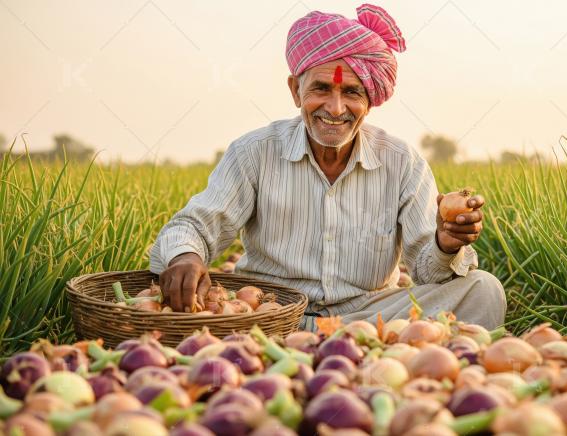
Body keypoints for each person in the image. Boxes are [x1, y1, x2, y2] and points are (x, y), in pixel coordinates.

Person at [148, 4, 506, 331]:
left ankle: (357, 346)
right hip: (269, 314)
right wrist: (186, 256)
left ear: (370, 100)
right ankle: (373, 354)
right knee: (198, 307)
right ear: (295, 90)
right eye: (320, 88)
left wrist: (445, 244)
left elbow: (428, 272)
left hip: (367, 316)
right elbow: (196, 224)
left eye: (352, 92)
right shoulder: (254, 152)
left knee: (484, 290)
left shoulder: (403, 162)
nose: (335, 109)